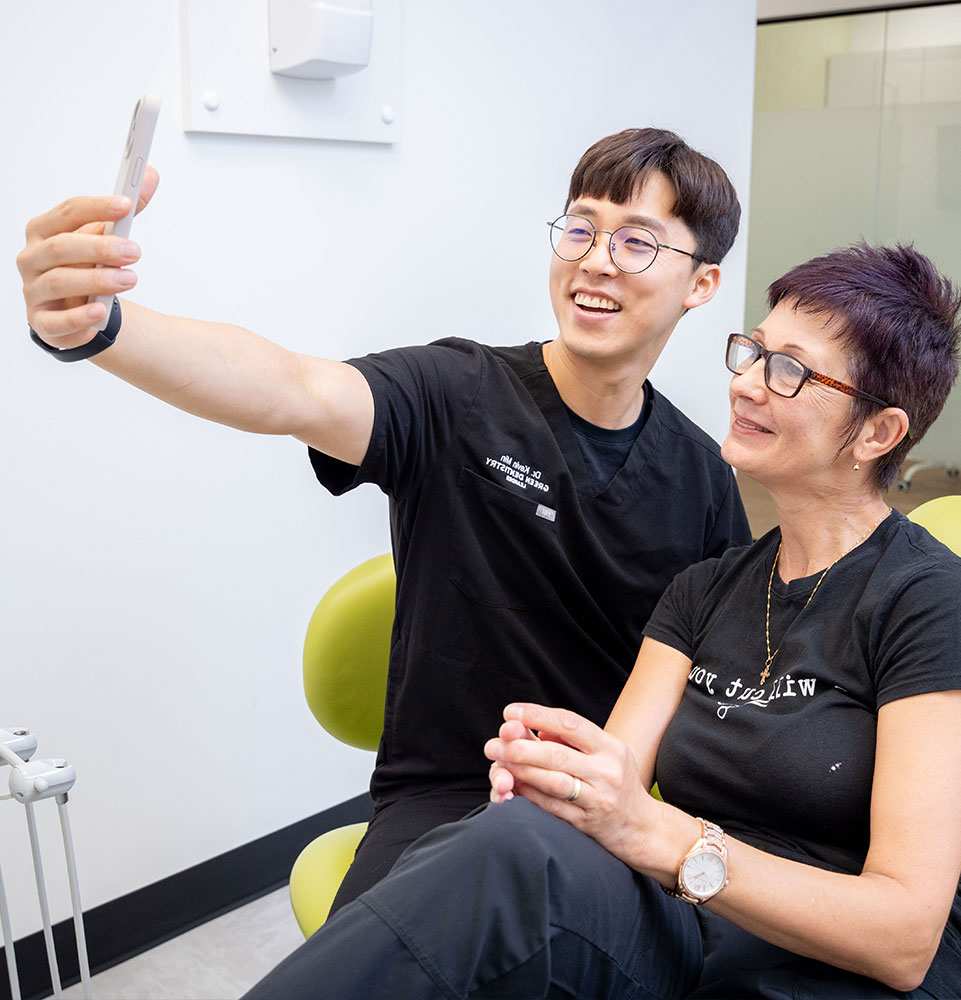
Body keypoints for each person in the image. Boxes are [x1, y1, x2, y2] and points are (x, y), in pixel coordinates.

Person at [17, 128, 751, 909]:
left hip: (605, 807)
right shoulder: (456, 392)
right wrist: (103, 328)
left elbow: (722, 686)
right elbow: (292, 388)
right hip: (443, 796)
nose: (595, 259)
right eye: (580, 228)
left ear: (700, 284)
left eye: (637, 242)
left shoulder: (701, 476)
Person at [239, 242, 961, 999]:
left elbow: (903, 936)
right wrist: (557, 779)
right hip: (696, 925)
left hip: (830, 965)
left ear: (877, 433)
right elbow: (610, 787)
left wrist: (671, 842)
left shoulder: (925, 599)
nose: (746, 384)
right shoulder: (705, 589)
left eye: (789, 370)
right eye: (751, 352)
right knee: (516, 846)